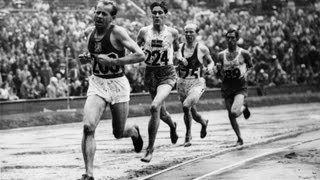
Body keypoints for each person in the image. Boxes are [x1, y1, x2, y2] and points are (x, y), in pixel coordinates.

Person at [78, 1, 145, 180]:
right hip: (98, 83)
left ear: (112, 18)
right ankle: (89, 173)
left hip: (117, 85)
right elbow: (94, 56)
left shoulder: (118, 32)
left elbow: (140, 55)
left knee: (118, 132)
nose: (99, 16)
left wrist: (114, 62)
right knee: (88, 127)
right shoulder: (89, 33)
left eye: (104, 14)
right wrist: (87, 59)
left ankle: (134, 132)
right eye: (97, 12)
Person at [136, 1, 180, 163]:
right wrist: (138, 53)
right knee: (160, 112)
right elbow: (134, 47)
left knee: (154, 107)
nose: (156, 15)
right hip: (150, 73)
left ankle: (149, 150)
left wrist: (180, 57)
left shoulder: (173, 32)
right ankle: (172, 125)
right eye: (154, 12)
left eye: (160, 12)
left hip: (167, 73)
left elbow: (177, 48)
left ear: (165, 15)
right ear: (151, 14)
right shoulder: (144, 32)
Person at [176, 23, 214, 147]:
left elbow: (210, 61)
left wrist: (209, 68)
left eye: (191, 32)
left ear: (196, 34)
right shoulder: (180, 47)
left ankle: (188, 135)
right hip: (182, 83)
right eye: (186, 32)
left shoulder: (202, 49)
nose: (188, 34)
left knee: (186, 106)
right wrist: (180, 59)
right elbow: (176, 56)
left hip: (196, 83)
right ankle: (203, 122)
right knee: (192, 112)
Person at [216, 28, 253, 146]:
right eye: (228, 37)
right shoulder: (221, 55)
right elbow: (218, 71)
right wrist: (219, 74)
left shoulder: (244, 53)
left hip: (240, 86)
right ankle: (239, 138)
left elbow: (251, 66)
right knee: (230, 115)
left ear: (237, 39)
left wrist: (246, 74)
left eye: (233, 37)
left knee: (234, 112)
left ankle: (244, 108)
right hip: (227, 86)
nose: (230, 40)